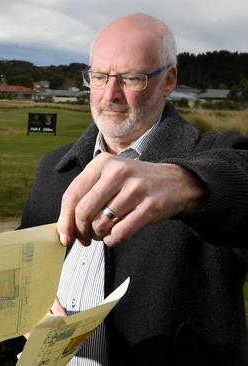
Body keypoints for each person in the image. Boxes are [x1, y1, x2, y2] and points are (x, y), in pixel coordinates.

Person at [19, 13, 248, 365]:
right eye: (98, 77)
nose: (110, 95)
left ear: (169, 80)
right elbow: (23, 263)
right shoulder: (52, 168)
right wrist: (29, 302)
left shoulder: (211, 156)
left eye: (130, 78)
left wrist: (187, 183)